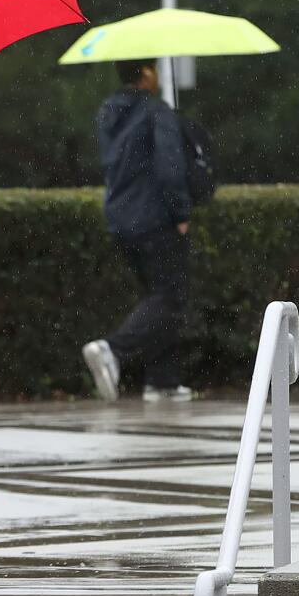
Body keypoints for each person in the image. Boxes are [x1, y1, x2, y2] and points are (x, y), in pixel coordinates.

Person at [83, 60, 193, 403]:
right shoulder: (156, 111)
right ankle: (112, 350)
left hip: (120, 216)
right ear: (146, 74)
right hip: (154, 217)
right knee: (168, 295)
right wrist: (180, 211)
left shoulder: (107, 112)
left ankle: (162, 381)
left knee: (156, 296)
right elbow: (170, 165)